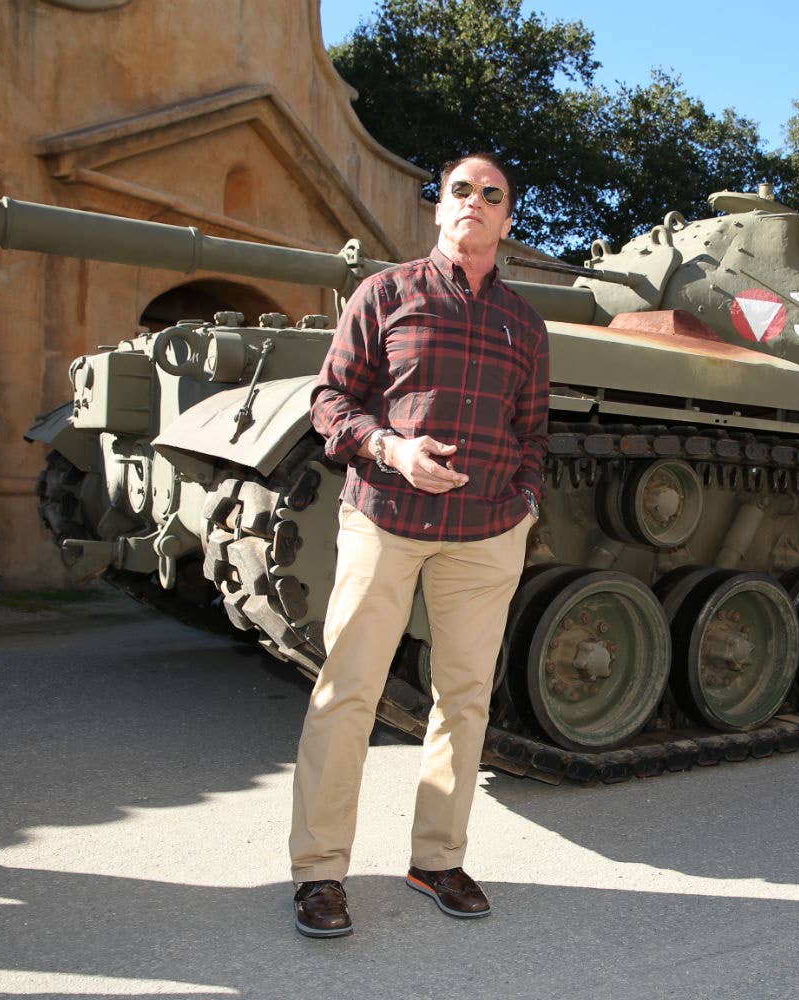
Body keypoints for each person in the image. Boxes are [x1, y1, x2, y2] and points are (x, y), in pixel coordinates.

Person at [289, 152, 548, 938]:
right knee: (347, 694)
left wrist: (524, 504)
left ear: (507, 220)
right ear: (440, 208)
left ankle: (437, 858)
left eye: (491, 194)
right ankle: (319, 873)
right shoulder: (386, 293)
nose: (474, 201)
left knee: (464, 699)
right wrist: (389, 448)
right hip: (386, 519)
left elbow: (532, 431)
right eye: (461, 190)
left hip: (484, 534)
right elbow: (329, 398)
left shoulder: (524, 324)